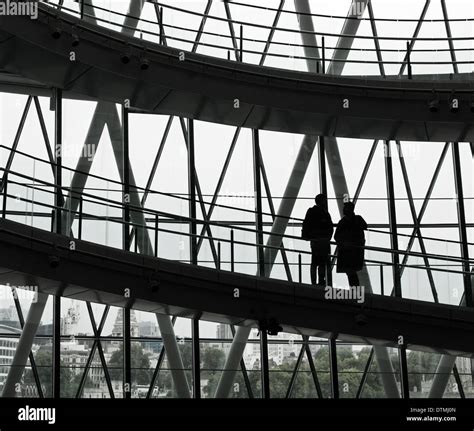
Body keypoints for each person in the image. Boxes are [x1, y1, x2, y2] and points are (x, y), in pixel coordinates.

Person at [302, 194, 334, 286]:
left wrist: (309, 236)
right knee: (322, 262)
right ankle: (321, 280)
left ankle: (314, 282)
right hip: (323, 241)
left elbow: (306, 224)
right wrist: (327, 237)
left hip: (315, 240)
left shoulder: (312, 211)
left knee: (315, 261)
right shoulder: (325, 213)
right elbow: (330, 227)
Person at [334, 201, 368, 287]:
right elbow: (364, 226)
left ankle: (354, 289)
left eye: (345, 208)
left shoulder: (343, 221)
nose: (343, 210)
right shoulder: (357, 219)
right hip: (354, 250)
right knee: (351, 271)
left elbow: (337, 236)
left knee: (350, 271)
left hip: (347, 250)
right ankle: (355, 289)